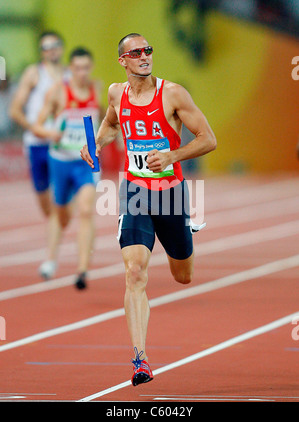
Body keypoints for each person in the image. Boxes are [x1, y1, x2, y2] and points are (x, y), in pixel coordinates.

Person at [80, 33, 217, 386]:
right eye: (136, 52)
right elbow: (112, 124)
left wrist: (172, 155)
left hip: (171, 195)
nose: (145, 56)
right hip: (135, 192)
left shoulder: (172, 94)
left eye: (148, 51)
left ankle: (187, 234)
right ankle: (140, 359)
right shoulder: (116, 93)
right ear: (123, 60)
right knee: (135, 272)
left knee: (182, 275)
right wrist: (94, 144)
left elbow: (208, 138)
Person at [33, 47, 104, 289]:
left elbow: (102, 115)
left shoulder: (97, 88)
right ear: (70, 69)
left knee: (85, 210)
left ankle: (82, 270)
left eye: (86, 67)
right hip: (61, 160)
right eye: (78, 68)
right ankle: (51, 258)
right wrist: (52, 133)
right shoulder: (58, 92)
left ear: (91, 68)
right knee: (60, 213)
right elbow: (38, 126)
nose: (82, 72)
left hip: (87, 161)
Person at [9, 31, 67, 280]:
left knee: (57, 206)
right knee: (47, 206)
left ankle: (50, 258)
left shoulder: (70, 75)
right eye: (46, 47)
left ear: (62, 48)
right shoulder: (35, 73)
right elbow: (14, 110)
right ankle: (58, 224)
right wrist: (35, 129)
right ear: (41, 52)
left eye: (55, 46)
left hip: (61, 146)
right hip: (36, 144)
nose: (52, 50)